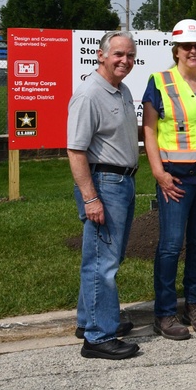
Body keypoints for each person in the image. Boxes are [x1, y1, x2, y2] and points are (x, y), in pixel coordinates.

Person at [142, 19, 196, 340]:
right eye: (187, 46)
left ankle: (194, 305)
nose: (193, 51)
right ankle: (164, 313)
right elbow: (149, 131)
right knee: (169, 246)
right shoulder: (160, 82)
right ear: (176, 50)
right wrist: (158, 173)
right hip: (175, 181)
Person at [68, 31, 140, 360]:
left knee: (102, 259)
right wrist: (90, 197)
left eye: (130, 55)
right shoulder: (89, 94)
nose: (125, 61)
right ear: (101, 55)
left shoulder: (121, 90)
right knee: (103, 264)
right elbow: (76, 150)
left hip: (122, 181)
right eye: (118, 55)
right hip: (104, 183)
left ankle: (91, 321)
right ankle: (98, 337)